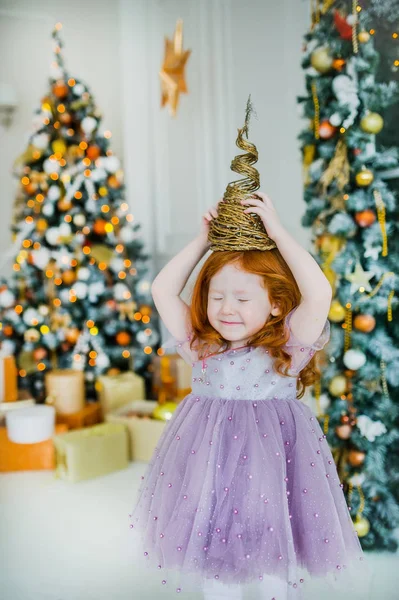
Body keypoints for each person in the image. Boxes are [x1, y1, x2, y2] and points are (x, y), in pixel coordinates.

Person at [128, 101, 370, 600]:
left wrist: (279, 234)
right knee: (216, 559)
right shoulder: (203, 346)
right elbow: (160, 290)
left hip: (275, 465)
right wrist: (202, 243)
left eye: (242, 298)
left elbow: (319, 293)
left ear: (277, 306)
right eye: (217, 296)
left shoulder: (289, 343)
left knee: (271, 563)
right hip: (209, 464)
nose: (226, 308)